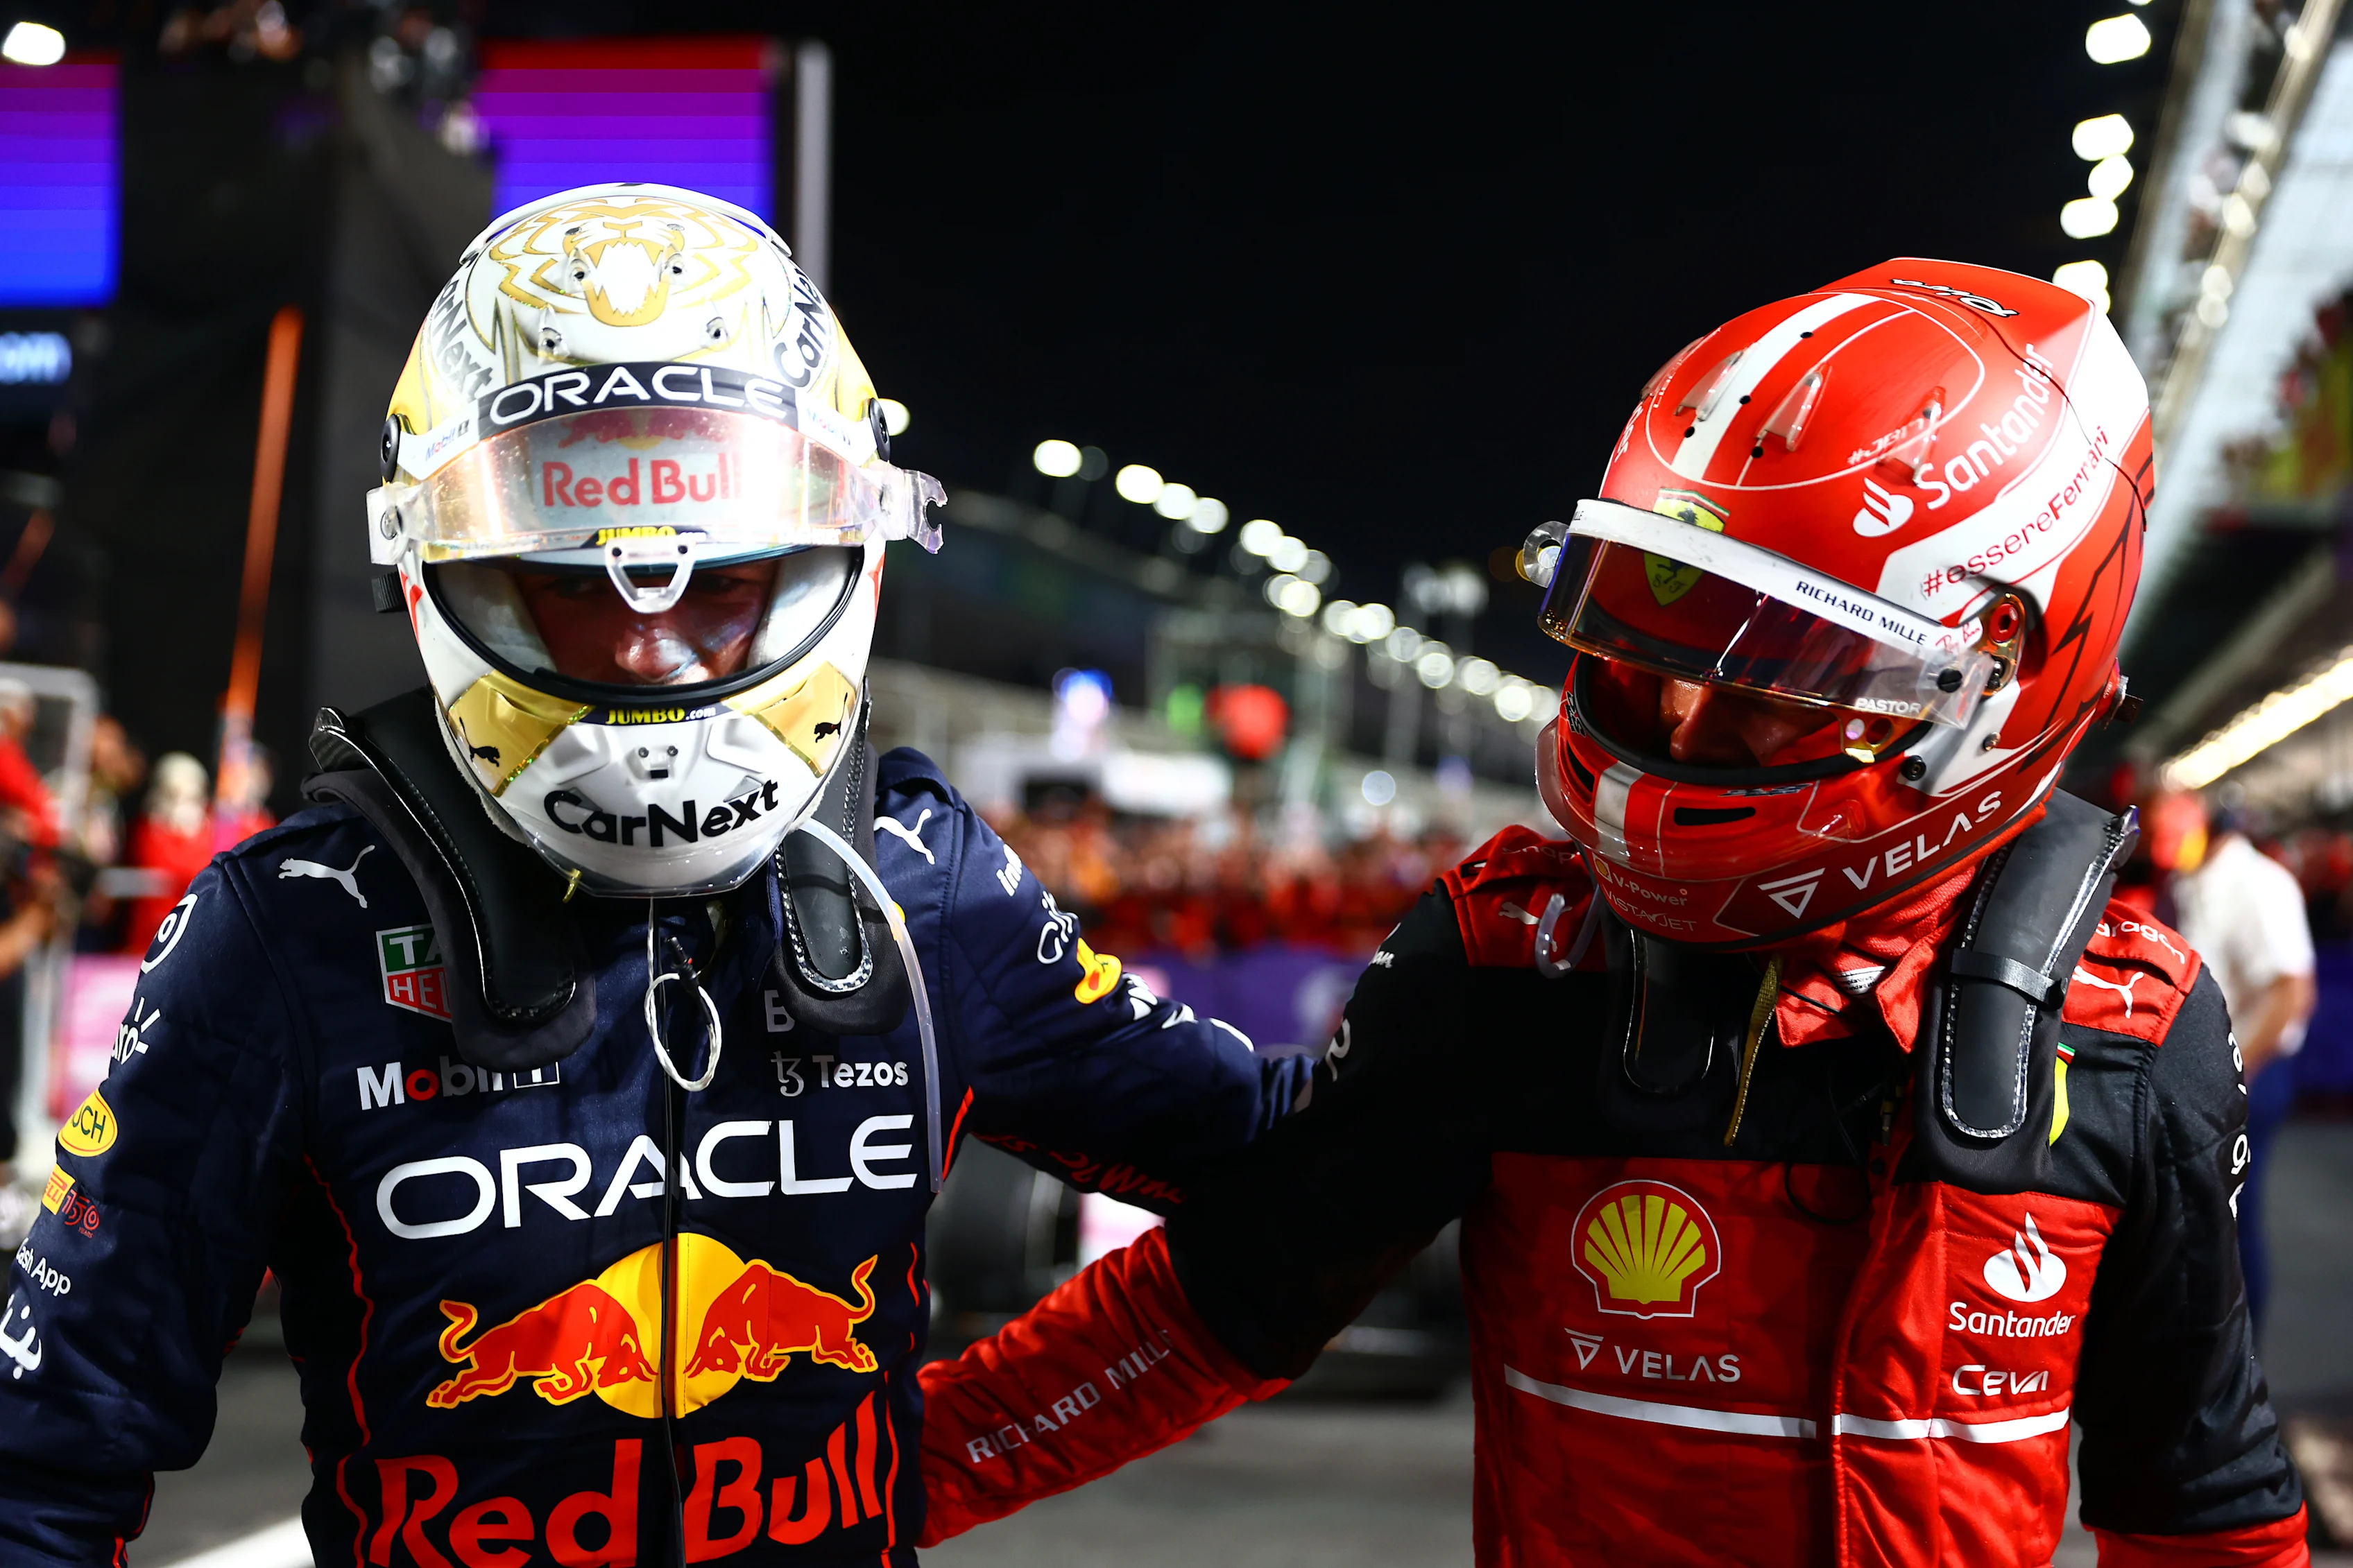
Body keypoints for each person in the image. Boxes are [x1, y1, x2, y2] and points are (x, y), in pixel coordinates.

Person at [916, 264, 2313, 1565]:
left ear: (1989, 683)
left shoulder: (2131, 1020)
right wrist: (848, 1492)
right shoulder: (1505, 958)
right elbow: (1217, 1303)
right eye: (1659, 633)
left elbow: (2195, 1490)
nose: (1689, 715)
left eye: (1782, 668)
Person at [0, 184, 1306, 1565]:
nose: (648, 650)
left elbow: (1299, 1178)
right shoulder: (292, 932)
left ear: (840, 553)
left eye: (725, 577)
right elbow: (48, 1456)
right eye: (574, 581)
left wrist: (953, 1450)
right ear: (441, 568)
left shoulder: (922, 881)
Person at [2171, 799, 2317, 1334]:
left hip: (2253, 1069)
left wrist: (2239, 1076)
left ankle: (2241, 1351)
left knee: (2232, 1215)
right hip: (2221, 1069)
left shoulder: (2258, 883)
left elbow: (2292, 991)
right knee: (2211, 1215)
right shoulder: (2199, 878)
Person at [117, 750, 213, 954]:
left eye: (192, 795)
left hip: (193, 939)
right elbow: (163, 866)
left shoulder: (209, 831)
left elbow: (204, 870)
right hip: (148, 940)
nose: (183, 802)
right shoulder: (147, 829)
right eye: (175, 794)